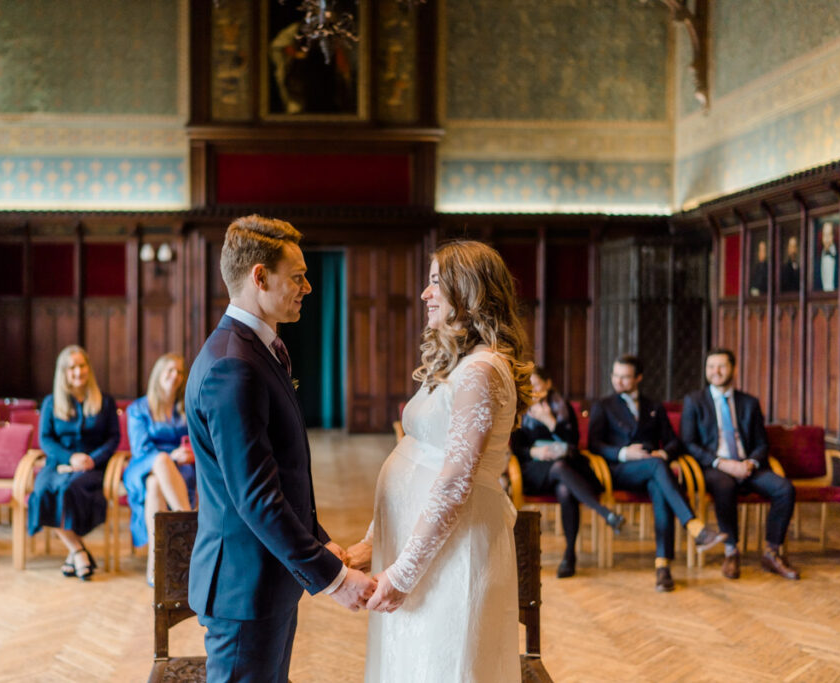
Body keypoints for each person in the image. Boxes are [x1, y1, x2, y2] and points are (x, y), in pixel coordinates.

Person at [185, 215, 375, 683]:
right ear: (259, 277)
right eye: (298, 276)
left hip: (266, 581)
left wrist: (317, 539)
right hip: (243, 589)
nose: (307, 287)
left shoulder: (255, 350)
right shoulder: (234, 364)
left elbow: (281, 474)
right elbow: (255, 496)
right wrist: (333, 577)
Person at [346, 240, 533, 683]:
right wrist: (374, 543)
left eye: (435, 283)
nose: (426, 295)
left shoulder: (481, 370)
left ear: (467, 291)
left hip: (455, 552)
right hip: (420, 544)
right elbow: (413, 455)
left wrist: (404, 572)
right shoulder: (459, 363)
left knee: (445, 665)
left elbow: (454, 480)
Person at [588, 354, 725, 592]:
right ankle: (693, 526)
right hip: (618, 470)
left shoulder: (653, 406)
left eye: (625, 377)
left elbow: (673, 442)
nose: (619, 381)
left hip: (653, 469)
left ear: (638, 378)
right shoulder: (603, 405)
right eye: (616, 376)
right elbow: (594, 445)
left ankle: (663, 568)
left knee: (660, 484)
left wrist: (665, 454)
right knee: (658, 470)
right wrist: (623, 453)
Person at [680, 348, 799, 580]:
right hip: (715, 467)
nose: (716, 371)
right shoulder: (694, 401)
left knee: (785, 489)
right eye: (711, 367)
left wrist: (751, 463)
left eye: (721, 366)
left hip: (748, 467)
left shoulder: (749, 403)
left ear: (733, 369)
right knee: (725, 486)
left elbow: (762, 443)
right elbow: (689, 443)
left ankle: (772, 552)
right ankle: (731, 551)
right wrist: (721, 463)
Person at [511, 367, 624, 578]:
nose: (532, 388)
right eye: (528, 384)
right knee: (559, 469)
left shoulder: (563, 407)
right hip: (534, 469)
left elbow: (572, 442)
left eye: (535, 383)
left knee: (564, 490)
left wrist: (550, 422)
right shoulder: (520, 409)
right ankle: (604, 513)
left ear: (548, 384)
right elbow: (517, 448)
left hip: (567, 464)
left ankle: (569, 555)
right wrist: (535, 451)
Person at [29, 345, 119, 580]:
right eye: (72, 368)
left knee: (69, 490)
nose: (78, 372)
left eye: (81, 366)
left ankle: (74, 553)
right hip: (58, 463)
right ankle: (78, 550)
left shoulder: (105, 402)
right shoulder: (51, 402)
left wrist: (92, 459)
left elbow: (113, 438)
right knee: (43, 490)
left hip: (92, 466)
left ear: (88, 368)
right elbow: (45, 439)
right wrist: (70, 458)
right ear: (63, 372)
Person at [124, 352, 196, 585]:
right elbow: (141, 448)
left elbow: (197, 440)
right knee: (161, 461)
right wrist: (170, 457)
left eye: (179, 372)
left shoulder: (186, 406)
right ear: (158, 375)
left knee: (155, 484)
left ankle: (155, 564)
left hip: (180, 470)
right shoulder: (138, 408)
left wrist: (189, 454)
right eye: (170, 371)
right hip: (143, 464)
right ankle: (189, 526)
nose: (175, 376)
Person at [814, 220, 838, 292]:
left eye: (829, 234)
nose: (826, 239)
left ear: (833, 236)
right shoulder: (816, 260)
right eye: (824, 235)